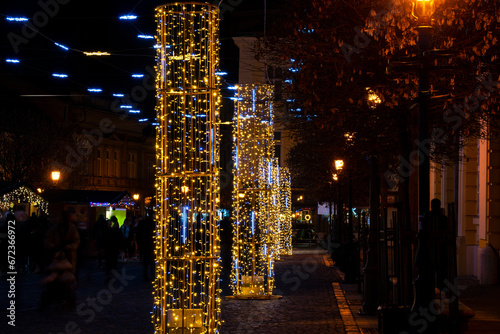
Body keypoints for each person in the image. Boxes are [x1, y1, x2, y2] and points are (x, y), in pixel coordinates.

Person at [102, 216, 123, 283]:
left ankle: (109, 275)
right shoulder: (116, 230)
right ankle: (111, 275)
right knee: (112, 262)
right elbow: (120, 239)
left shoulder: (108, 230)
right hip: (113, 248)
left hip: (109, 248)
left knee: (109, 262)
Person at [136, 216, 156, 281]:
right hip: (151, 244)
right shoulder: (153, 223)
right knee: (152, 262)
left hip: (144, 244)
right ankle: (153, 276)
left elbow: (138, 234)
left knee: (146, 262)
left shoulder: (141, 223)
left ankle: (146, 276)